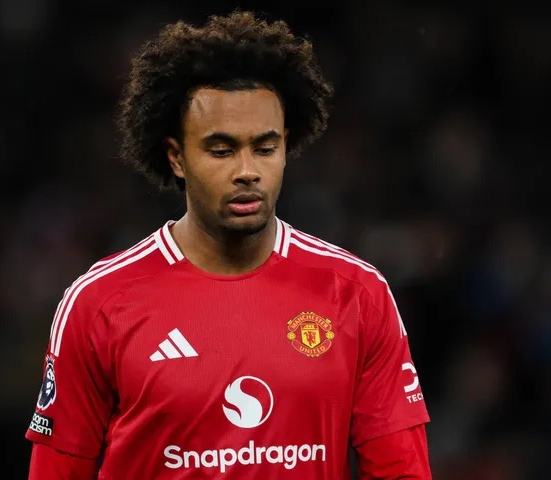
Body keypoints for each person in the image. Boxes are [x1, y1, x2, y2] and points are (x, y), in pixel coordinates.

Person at [25, 10, 432, 479]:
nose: (247, 171)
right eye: (221, 150)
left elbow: (402, 471)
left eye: (265, 148)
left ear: (286, 147)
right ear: (177, 157)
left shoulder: (357, 294)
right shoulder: (98, 303)